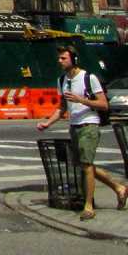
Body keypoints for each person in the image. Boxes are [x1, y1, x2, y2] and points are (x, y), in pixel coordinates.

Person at [37, 45, 128, 221]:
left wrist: (81, 100)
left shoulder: (88, 78)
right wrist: (48, 122)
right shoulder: (62, 80)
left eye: (64, 58)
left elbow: (103, 104)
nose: (60, 61)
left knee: (87, 165)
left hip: (89, 125)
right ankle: (119, 188)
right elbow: (63, 107)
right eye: (59, 58)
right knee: (83, 165)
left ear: (74, 59)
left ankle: (89, 206)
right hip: (74, 126)